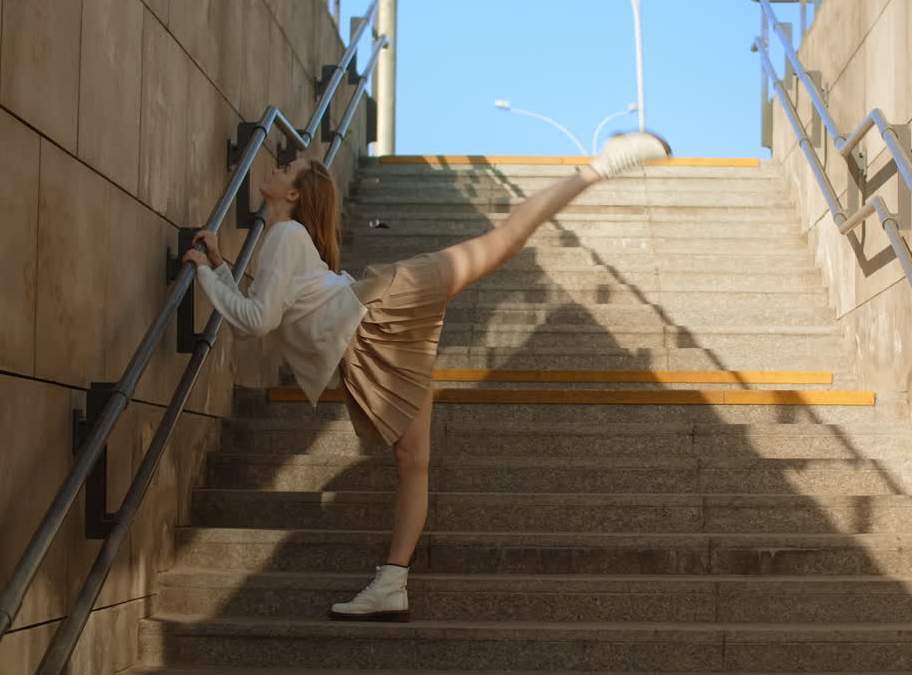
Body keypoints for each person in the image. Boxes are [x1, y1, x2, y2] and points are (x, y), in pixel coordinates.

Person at [182, 131, 672, 621]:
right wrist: (219, 268)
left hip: (381, 310)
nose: (279, 166)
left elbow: (256, 321)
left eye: (287, 168)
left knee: (502, 242)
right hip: (369, 343)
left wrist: (205, 274)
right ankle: (392, 584)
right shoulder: (285, 238)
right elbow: (257, 316)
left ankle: (600, 166)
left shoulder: (286, 235)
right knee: (411, 462)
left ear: (293, 193)